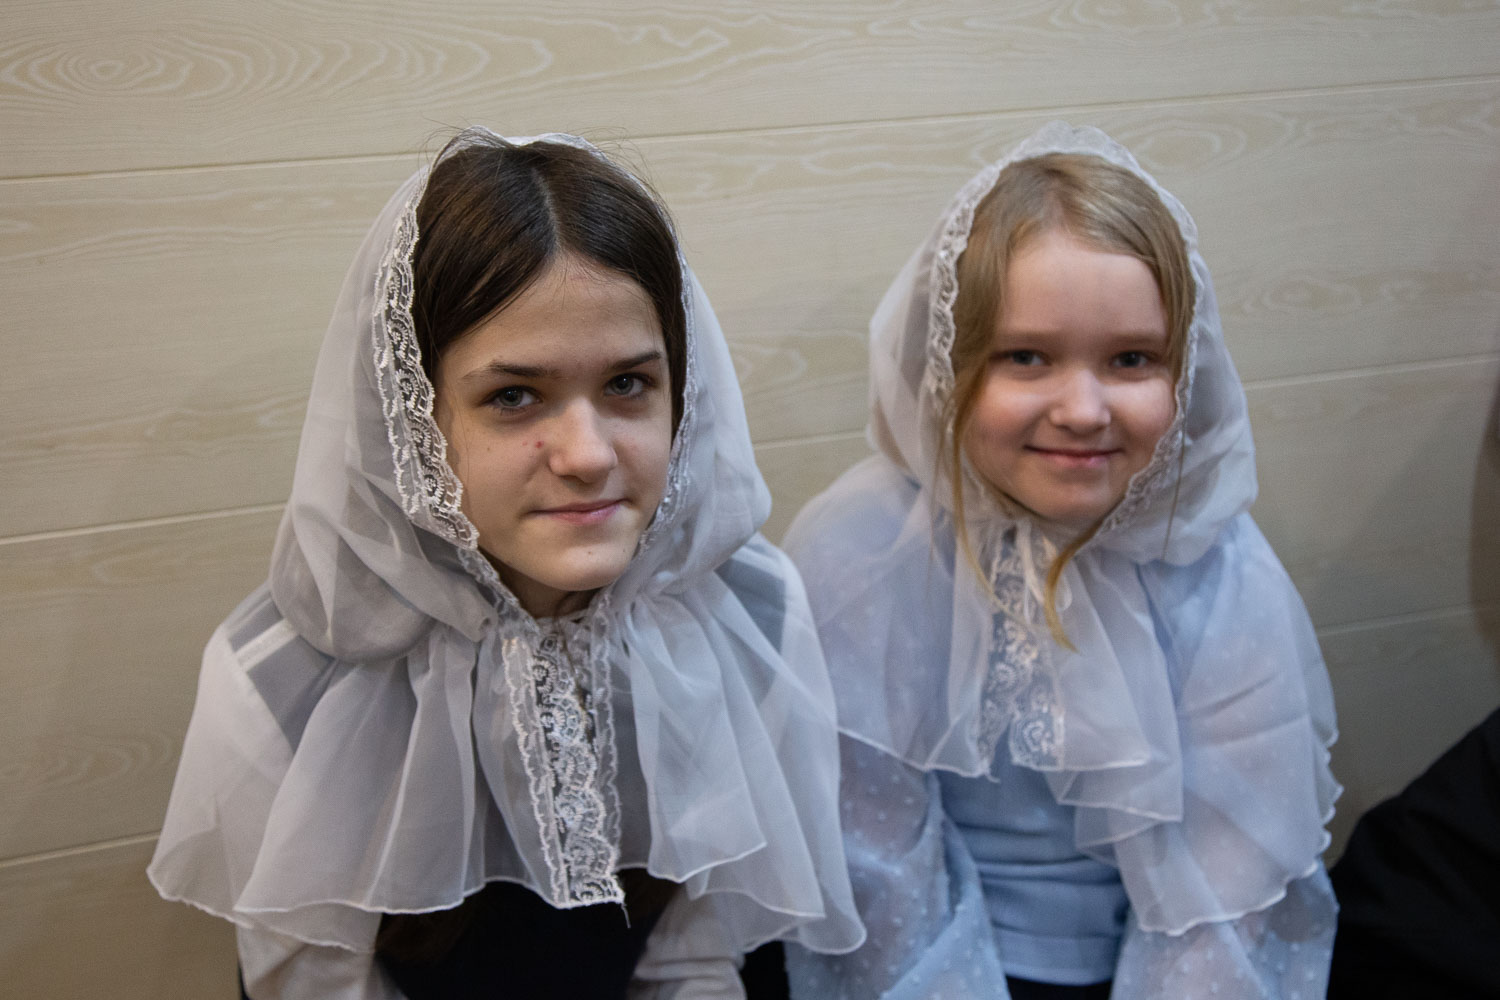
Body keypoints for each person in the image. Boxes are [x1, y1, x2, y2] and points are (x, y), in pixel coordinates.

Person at [147, 128, 862, 999]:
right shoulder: (286, 684)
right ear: (413, 420)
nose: (587, 454)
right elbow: (316, 985)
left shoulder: (748, 620)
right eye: (514, 396)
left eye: (628, 384)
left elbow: (697, 961)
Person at [780, 122, 1339, 999]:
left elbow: (1228, 888)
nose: (1083, 409)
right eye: (1025, 357)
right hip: (928, 963)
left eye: (1131, 359)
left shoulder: (1215, 560)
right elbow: (872, 868)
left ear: (1184, 369)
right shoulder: (862, 551)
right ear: (950, 361)